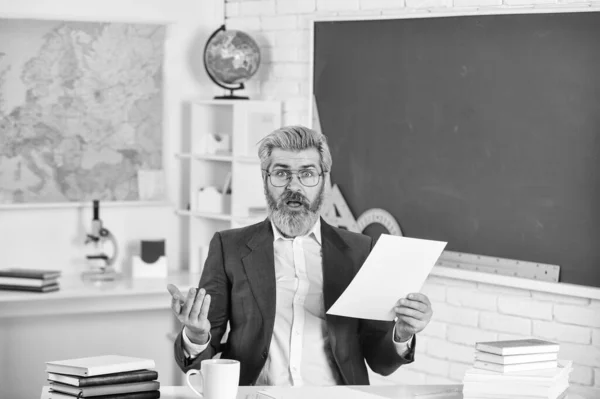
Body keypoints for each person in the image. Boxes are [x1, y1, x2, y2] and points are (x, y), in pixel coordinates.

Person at [167, 125, 433, 386]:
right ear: (265, 180)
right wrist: (196, 334)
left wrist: (404, 332)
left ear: (322, 180)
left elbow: (380, 361)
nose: (293, 186)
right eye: (281, 173)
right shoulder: (229, 247)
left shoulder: (359, 250)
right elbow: (200, 359)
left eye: (307, 173)